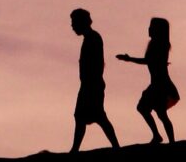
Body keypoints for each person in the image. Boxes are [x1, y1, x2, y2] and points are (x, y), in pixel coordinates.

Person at [114, 17, 179, 144]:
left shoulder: (159, 44)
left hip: (161, 85)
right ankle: (161, 137)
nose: (148, 29)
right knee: (151, 111)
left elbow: (148, 61)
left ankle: (168, 140)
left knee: (158, 113)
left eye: (151, 27)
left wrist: (129, 59)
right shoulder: (156, 44)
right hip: (157, 84)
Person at [69, 9, 121, 152]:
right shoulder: (90, 38)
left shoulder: (93, 38)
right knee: (86, 116)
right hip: (89, 84)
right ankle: (75, 148)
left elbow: (97, 63)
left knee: (95, 116)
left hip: (92, 84)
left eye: (74, 22)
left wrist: (91, 82)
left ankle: (76, 149)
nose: (72, 26)